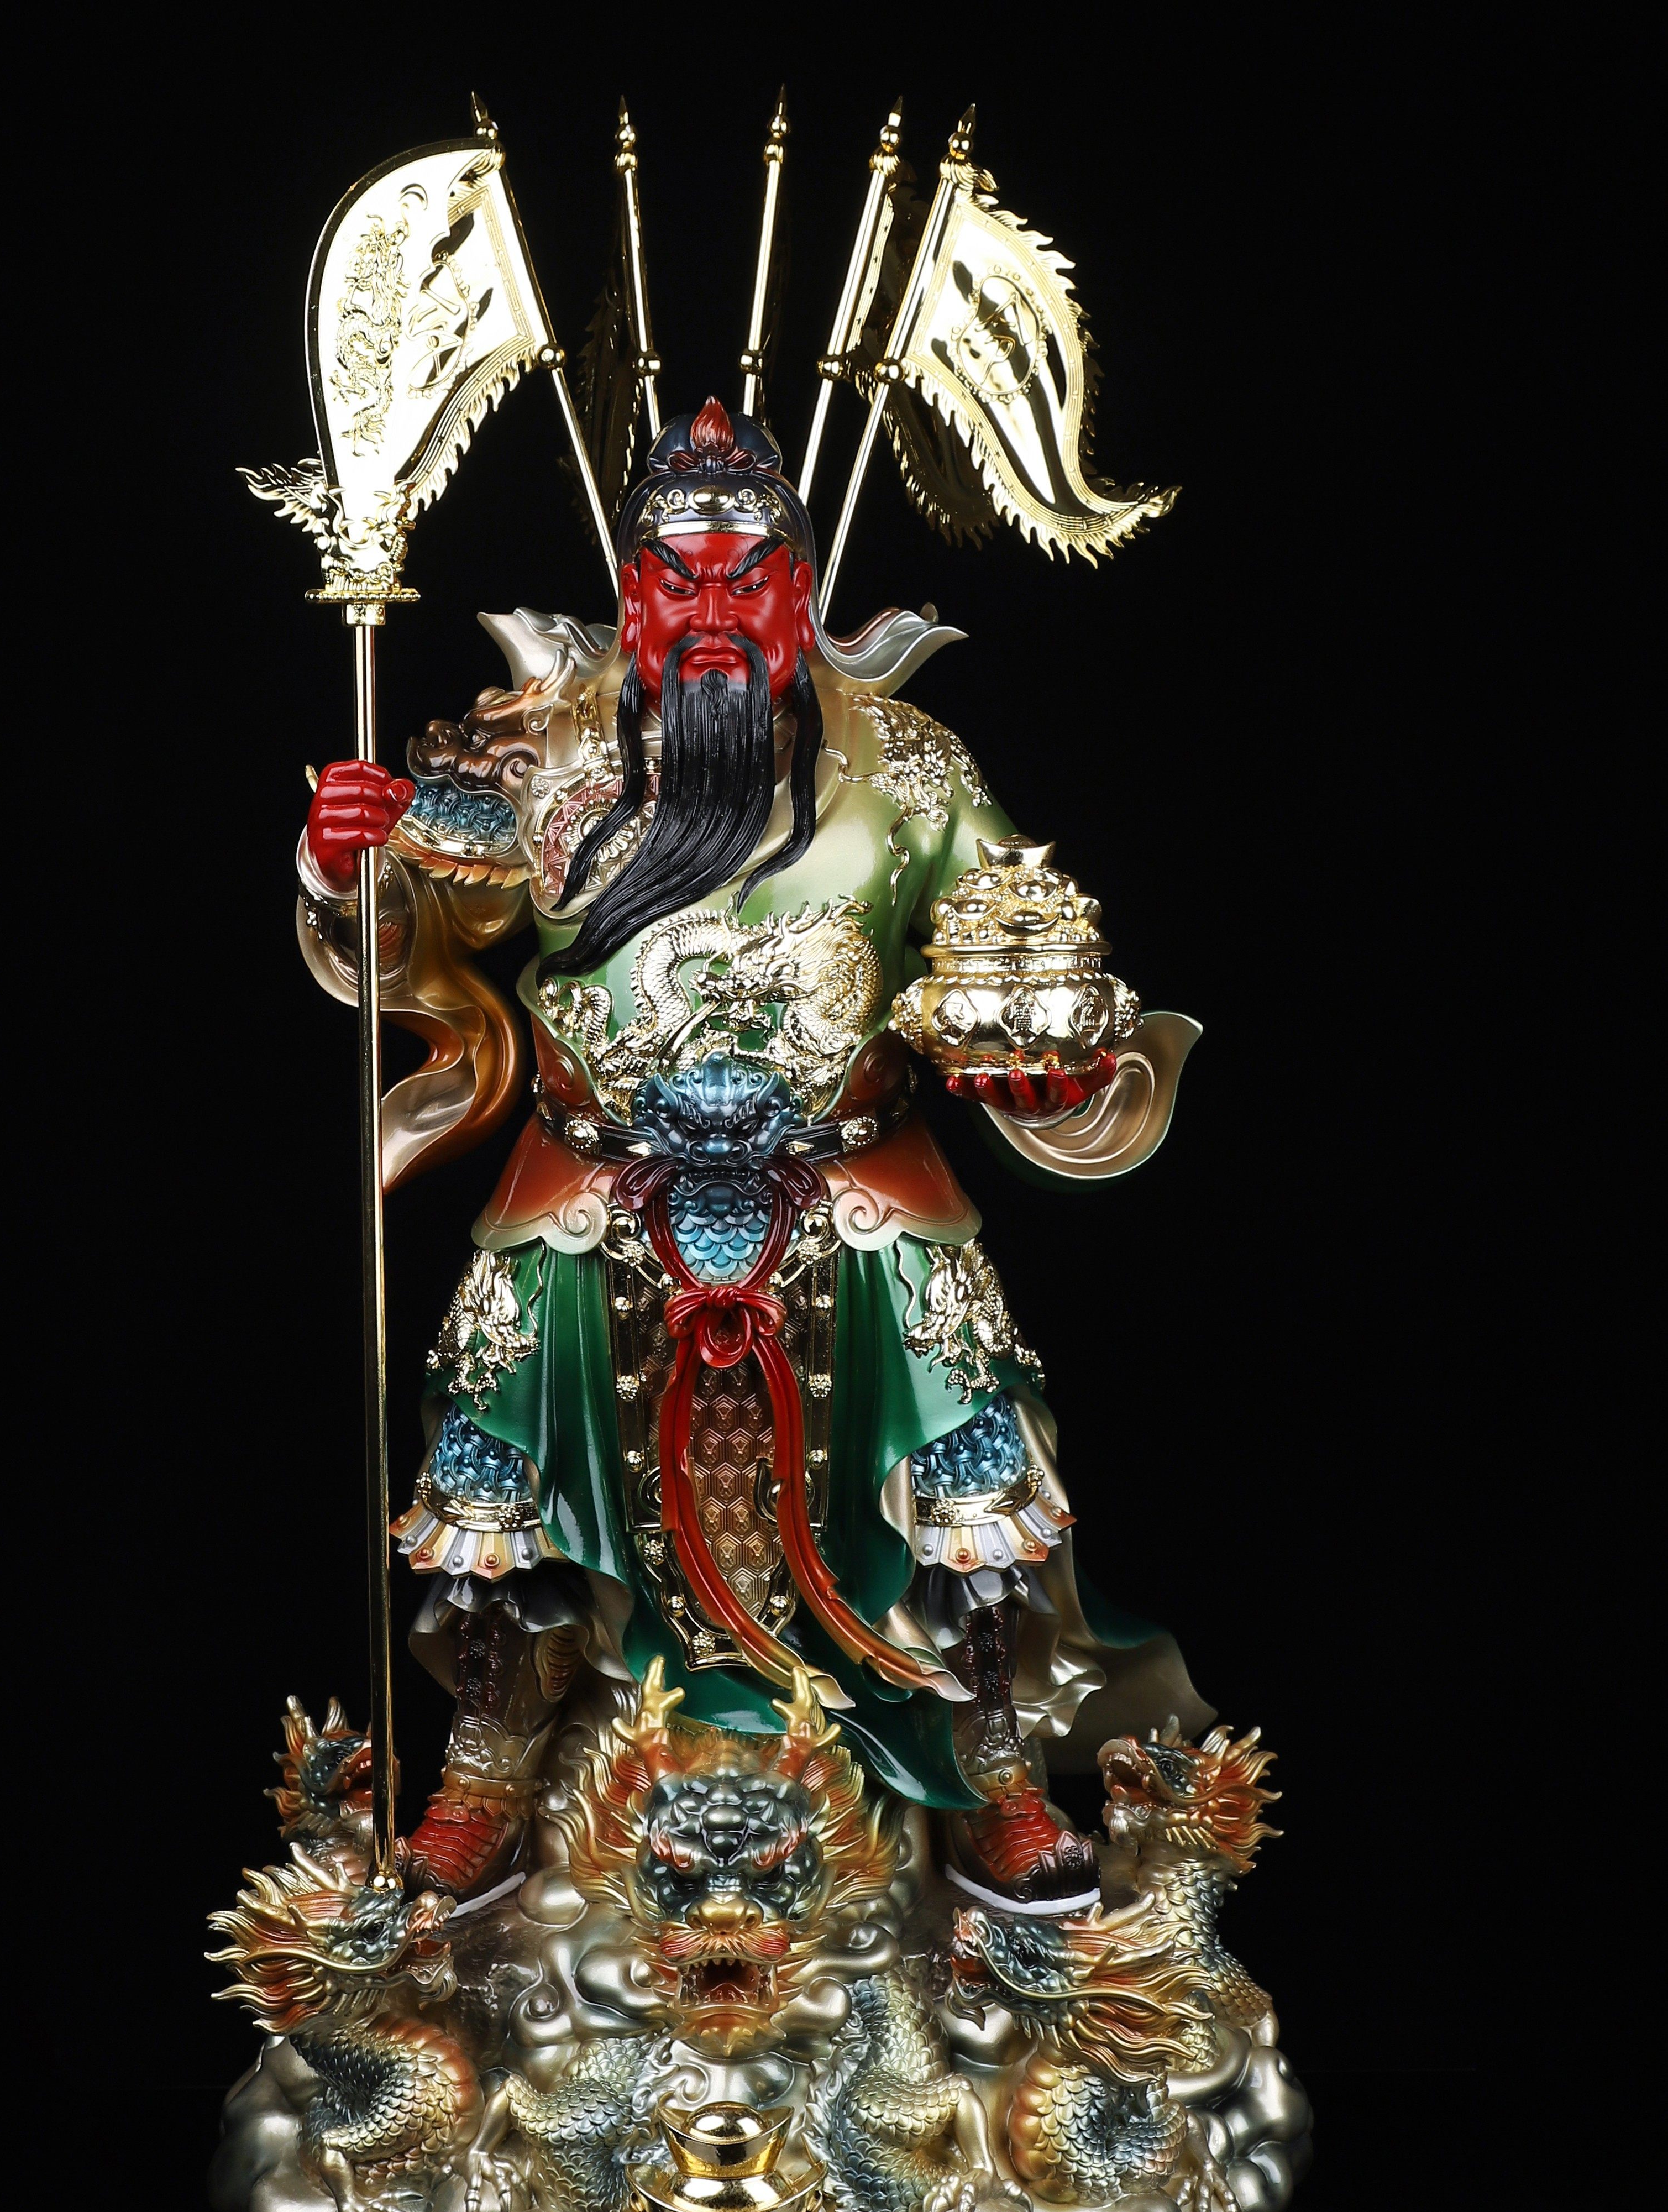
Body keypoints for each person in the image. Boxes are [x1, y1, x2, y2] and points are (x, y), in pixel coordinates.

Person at [298, 400, 1207, 1911]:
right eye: (677, 580)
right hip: (589, 1189)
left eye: (745, 579)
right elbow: (420, 924)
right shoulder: (539, 755)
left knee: (970, 1473)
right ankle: (486, 1770)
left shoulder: (911, 770)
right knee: (490, 1482)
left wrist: (1058, 1062)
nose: (711, 611)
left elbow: (1027, 957)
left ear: (800, 587)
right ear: (632, 590)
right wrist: (351, 859)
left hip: (854, 1187)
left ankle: (989, 1765)